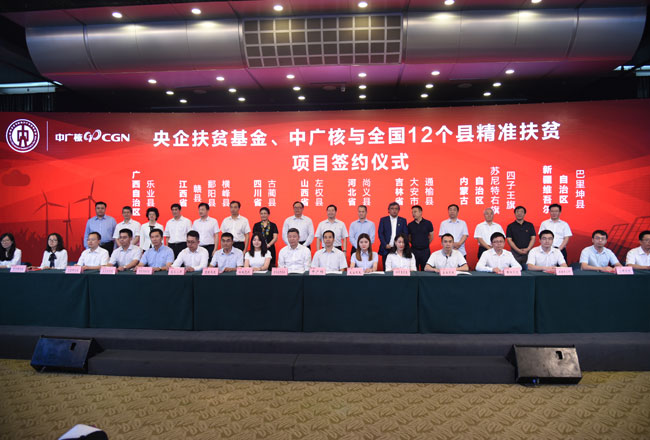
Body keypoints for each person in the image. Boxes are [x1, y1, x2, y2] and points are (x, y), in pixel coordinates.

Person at [378, 202, 408, 269]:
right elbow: (380, 233)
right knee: (386, 268)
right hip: (386, 248)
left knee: (399, 268)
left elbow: (405, 234)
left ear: (399, 210)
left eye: (396, 209)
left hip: (399, 249)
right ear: (388, 210)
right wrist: (385, 244)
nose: (394, 210)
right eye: (392, 208)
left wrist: (400, 244)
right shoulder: (383, 220)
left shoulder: (403, 220)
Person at [408, 205, 434, 271]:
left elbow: (431, 236)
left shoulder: (428, 223)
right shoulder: (410, 225)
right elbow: (409, 238)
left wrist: (425, 243)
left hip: (425, 251)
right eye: (412, 212)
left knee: (425, 270)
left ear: (420, 212)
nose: (413, 214)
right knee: (414, 269)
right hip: (414, 250)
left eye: (415, 212)